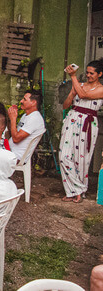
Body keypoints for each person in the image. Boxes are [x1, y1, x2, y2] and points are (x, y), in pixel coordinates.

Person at [59, 61, 103, 203]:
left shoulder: (101, 89)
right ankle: (77, 189)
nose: (88, 75)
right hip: (72, 119)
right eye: (88, 72)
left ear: (100, 74)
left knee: (82, 159)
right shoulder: (79, 85)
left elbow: (84, 95)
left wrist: (73, 77)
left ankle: (75, 192)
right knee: (64, 156)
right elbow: (66, 105)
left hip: (87, 123)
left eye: (92, 73)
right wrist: (72, 93)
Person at [7, 90, 46, 161]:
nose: (21, 101)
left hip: (16, 157)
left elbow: (16, 139)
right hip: (9, 151)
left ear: (33, 103)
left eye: (24, 99)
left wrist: (13, 119)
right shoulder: (26, 115)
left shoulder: (35, 118)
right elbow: (13, 133)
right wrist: (11, 118)